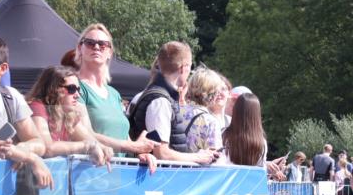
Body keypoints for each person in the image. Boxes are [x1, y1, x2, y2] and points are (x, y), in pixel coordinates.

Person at [0, 35, 53, 187]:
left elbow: (39, 143)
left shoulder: (12, 96)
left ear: (3, 68)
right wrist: (29, 158)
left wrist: (22, 148)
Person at [74, 24, 157, 167]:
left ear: (110, 52)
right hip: (89, 172)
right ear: (80, 48)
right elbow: (85, 134)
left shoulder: (114, 94)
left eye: (103, 44)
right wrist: (131, 146)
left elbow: (124, 136)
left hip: (119, 174)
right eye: (90, 43)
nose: (96, 47)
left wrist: (140, 152)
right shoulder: (74, 87)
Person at [128, 42, 217, 165]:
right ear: (183, 68)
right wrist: (198, 157)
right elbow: (161, 154)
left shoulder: (159, 97)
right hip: (158, 179)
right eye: (190, 67)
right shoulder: (160, 102)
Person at [25, 65, 112, 165]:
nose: (77, 95)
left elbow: (90, 140)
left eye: (78, 90)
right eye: (71, 89)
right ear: (53, 89)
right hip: (25, 176)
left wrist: (104, 149)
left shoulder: (68, 115)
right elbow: (47, 148)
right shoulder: (37, 107)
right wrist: (87, 146)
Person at [177, 66, 227, 152]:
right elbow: (216, 159)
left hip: (168, 164)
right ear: (213, 95)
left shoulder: (176, 111)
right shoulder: (210, 122)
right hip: (196, 165)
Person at [222, 93, 268, 167]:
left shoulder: (223, 135)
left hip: (228, 177)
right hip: (250, 178)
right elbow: (260, 169)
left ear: (236, 110)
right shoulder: (261, 141)